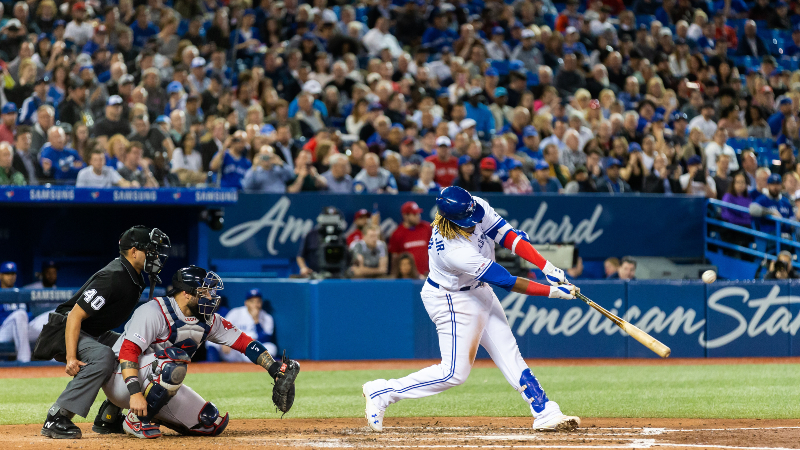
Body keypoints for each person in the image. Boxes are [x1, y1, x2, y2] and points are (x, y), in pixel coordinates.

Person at [362, 186, 580, 432]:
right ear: (451, 221)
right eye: (467, 221)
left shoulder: (474, 205)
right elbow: (506, 280)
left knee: (509, 352)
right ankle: (383, 392)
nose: (474, 222)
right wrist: (551, 291)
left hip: (479, 289)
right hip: (452, 299)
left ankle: (544, 410)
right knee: (453, 373)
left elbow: (508, 236)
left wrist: (547, 266)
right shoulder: (454, 249)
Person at [99, 266, 298, 439]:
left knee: (209, 421)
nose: (210, 297)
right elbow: (128, 352)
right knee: (173, 363)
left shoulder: (207, 319)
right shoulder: (154, 311)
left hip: (157, 380)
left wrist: (274, 368)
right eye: (205, 292)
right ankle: (135, 418)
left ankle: (113, 414)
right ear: (186, 293)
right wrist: (134, 393)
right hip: (121, 380)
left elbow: (244, 342)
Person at [36, 226, 170, 439]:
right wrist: (71, 357)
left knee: (134, 349)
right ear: (134, 251)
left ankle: (109, 415)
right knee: (103, 357)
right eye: (150, 251)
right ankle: (57, 416)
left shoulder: (133, 275)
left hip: (92, 332)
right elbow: (74, 316)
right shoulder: (114, 276)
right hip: (65, 330)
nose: (155, 256)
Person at [207, 289, 278, 362]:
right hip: (235, 351)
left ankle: (261, 370)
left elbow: (266, 340)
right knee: (212, 341)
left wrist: (256, 321)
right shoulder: (236, 313)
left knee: (271, 347)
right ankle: (212, 368)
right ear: (246, 303)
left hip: (253, 352)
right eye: (252, 302)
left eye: (258, 302)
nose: (255, 305)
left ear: (261, 303)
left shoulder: (267, 317)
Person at [389, 201, 433, 275]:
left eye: (418, 213)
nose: (418, 216)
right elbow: (395, 259)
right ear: (405, 216)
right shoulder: (397, 234)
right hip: (408, 277)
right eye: (414, 214)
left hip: (427, 275)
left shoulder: (426, 228)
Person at [0, 262, 31, 363]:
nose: (10, 277)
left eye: (13, 274)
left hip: (21, 331)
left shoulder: (21, 293)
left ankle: (55, 364)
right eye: (7, 274)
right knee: (19, 314)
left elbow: (30, 315)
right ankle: (24, 361)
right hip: (3, 331)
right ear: (1, 275)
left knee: (52, 316)